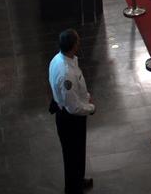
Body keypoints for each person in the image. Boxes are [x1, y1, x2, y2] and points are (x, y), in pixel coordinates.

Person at [49, 29, 95, 194]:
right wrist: (90, 108)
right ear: (73, 46)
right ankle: (73, 188)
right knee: (72, 154)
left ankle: (77, 180)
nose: (79, 43)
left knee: (76, 152)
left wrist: (86, 97)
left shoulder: (59, 59)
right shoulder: (66, 73)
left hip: (68, 113)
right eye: (78, 41)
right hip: (71, 119)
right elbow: (73, 107)